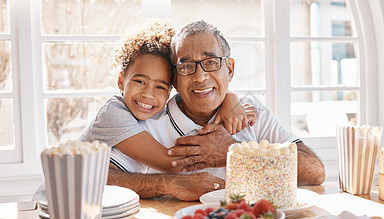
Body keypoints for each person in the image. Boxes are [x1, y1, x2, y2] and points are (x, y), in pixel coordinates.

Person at [107, 20, 325, 201]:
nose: (200, 77)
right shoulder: (150, 122)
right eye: (186, 66)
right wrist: (169, 183)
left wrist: (233, 154)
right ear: (174, 78)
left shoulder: (251, 113)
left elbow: (315, 171)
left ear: (229, 69)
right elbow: (104, 177)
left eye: (211, 62)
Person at [81, 20, 256, 173]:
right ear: (120, 81)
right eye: (140, 81)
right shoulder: (113, 115)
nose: (148, 94)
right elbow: (171, 163)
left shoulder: (147, 118)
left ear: (173, 88)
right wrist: (224, 152)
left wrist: (228, 98)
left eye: (160, 86)